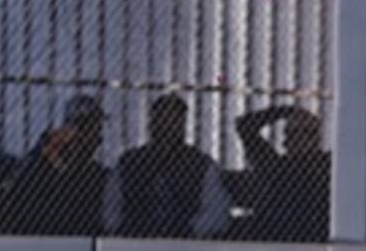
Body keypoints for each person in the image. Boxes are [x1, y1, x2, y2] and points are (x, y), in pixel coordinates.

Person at [102, 93, 231, 239]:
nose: (167, 126)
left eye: (174, 120)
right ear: (151, 122)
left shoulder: (200, 164)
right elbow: (111, 209)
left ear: (183, 124)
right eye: (162, 119)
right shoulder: (129, 162)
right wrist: (126, 231)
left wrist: (188, 230)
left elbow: (217, 212)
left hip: (186, 243)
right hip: (135, 240)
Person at [0, 94, 108, 236]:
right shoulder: (39, 163)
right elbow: (12, 187)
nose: (92, 136)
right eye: (86, 128)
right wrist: (43, 150)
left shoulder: (95, 174)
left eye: (95, 129)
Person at [234, 104, 330, 242]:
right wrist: (287, 110)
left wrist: (284, 111)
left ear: (310, 137)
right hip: (298, 235)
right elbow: (244, 125)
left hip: (284, 234)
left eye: (291, 135)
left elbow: (245, 125)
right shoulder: (276, 166)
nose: (285, 143)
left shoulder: (277, 167)